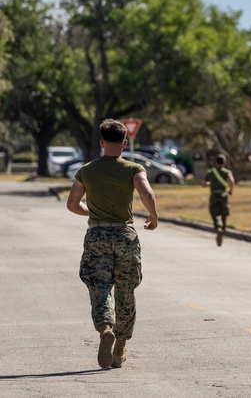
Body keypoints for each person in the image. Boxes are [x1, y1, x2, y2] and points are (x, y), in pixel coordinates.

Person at [66, 119, 158, 370]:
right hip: (125, 236)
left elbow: (73, 204)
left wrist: (93, 212)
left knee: (99, 285)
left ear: (101, 142)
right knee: (126, 290)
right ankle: (120, 347)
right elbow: (146, 194)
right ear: (124, 143)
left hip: (97, 236)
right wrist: (153, 216)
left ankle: (105, 327)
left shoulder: (87, 170)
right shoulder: (133, 168)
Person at [203, 154, 235, 246]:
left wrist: (210, 184)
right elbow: (231, 181)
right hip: (223, 194)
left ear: (216, 162)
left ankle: (218, 227)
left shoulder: (211, 172)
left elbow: (205, 183)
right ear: (224, 163)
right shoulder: (227, 172)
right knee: (224, 212)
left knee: (214, 212)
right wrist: (231, 190)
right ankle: (223, 229)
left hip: (214, 195)